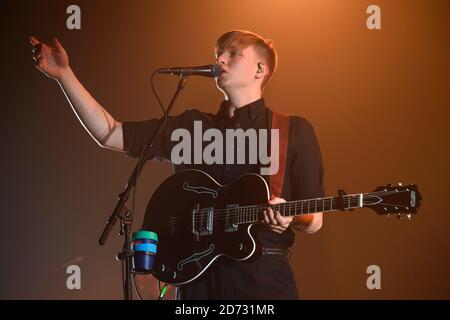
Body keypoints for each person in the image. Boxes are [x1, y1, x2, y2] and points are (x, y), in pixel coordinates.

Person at [30, 30, 325, 299]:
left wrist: (291, 217)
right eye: (218, 53)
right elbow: (111, 134)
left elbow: (315, 219)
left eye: (233, 53)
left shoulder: (293, 131)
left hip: (262, 276)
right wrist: (64, 75)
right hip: (195, 275)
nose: (220, 58)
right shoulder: (190, 125)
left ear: (261, 69)